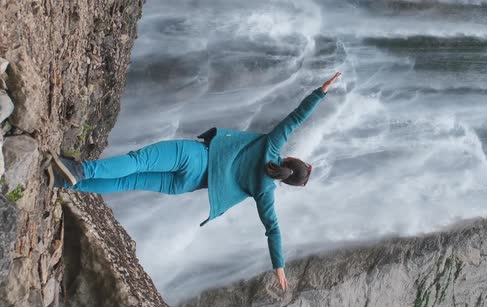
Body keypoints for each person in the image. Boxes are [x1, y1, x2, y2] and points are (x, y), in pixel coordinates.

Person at [47, 72, 342, 291]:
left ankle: (80, 169)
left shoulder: (272, 147)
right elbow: (273, 229)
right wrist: (279, 267)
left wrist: (321, 92)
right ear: (287, 183)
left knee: (138, 160)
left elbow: (295, 119)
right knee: (128, 182)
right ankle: (63, 181)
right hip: (187, 185)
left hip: (195, 158)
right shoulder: (265, 191)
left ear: (292, 160)